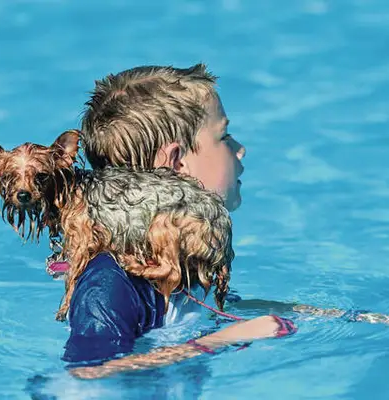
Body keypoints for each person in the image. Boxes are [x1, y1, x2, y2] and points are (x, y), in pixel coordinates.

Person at [55, 64, 297, 381]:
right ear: (176, 162)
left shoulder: (173, 256)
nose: (240, 150)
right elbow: (86, 375)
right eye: (225, 137)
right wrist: (223, 339)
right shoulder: (110, 281)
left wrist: (315, 314)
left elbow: (202, 312)